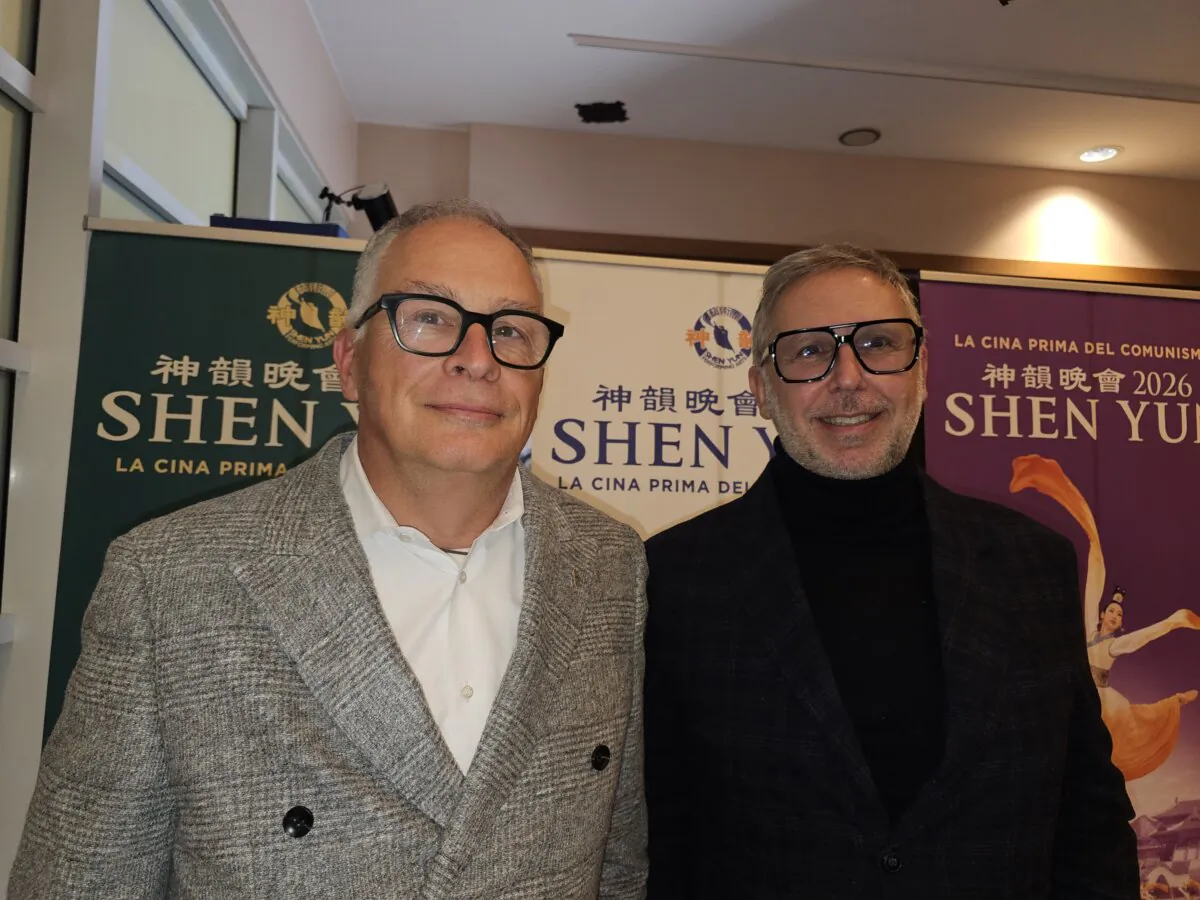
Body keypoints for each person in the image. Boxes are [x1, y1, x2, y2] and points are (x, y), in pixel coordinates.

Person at [10, 199, 648, 899]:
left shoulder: (611, 566)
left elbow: (617, 864)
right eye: (429, 319)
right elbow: (77, 881)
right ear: (349, 362)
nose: (476, 359)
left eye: (512, 331)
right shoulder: (171, 580)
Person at [643, 244, 1138, 898]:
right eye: (810, 350)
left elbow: (1089, 823)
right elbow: (660, 841)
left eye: (878, 343)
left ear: (923, 368)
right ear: (761, 388)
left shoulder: (1032, 565)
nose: (849, 377)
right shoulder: (677, 579)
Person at [1011, 454, 1200, 783]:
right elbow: (1093, 583)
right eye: (1111, 610)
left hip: (1099, 701)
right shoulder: (1087, 629)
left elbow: (1147, 635)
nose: (1114, 615)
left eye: (1118, 614)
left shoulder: (1114, 646)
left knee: (1097, 749)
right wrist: (1093, 544)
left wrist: (1176, 620)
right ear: (1103, 614)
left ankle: (1176, 702)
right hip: (1073, 689)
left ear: (1119, 624)